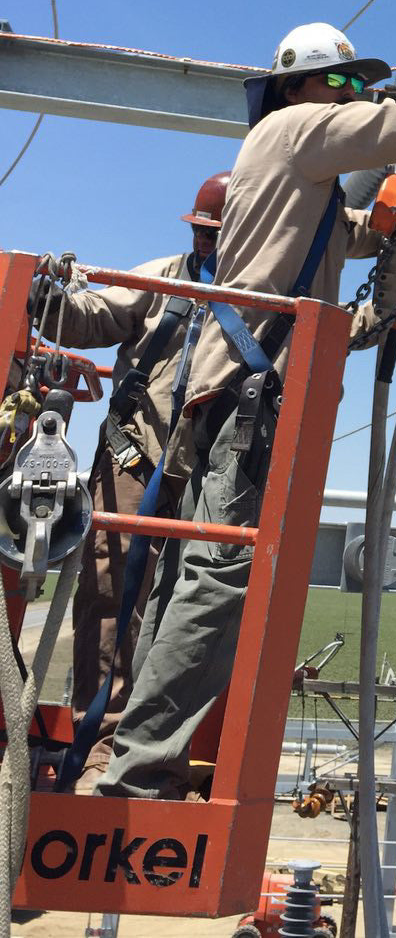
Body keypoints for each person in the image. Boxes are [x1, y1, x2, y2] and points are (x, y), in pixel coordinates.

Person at [100, 23, 396, 799]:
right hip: (251, 392)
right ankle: (140, 771)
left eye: (360, 86)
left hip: (234, 392)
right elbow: (391, 124)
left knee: (190, 575)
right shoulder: (291, 131)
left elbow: (352, 235)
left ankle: (137, 752)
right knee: (220, 578)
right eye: (343, 83)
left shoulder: (297, 178)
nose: (355, 95)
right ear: (296, 87)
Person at [37, 172, 229, 790]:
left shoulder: (262, 296)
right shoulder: (163, 279)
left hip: (213, 473)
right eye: (202, 232)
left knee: (191, 606)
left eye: (216, 234)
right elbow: (93, 316)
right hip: (134, 459)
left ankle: (155, 749)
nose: (205, 244)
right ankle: (101, 741)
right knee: (107, 593)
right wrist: (46, 298)